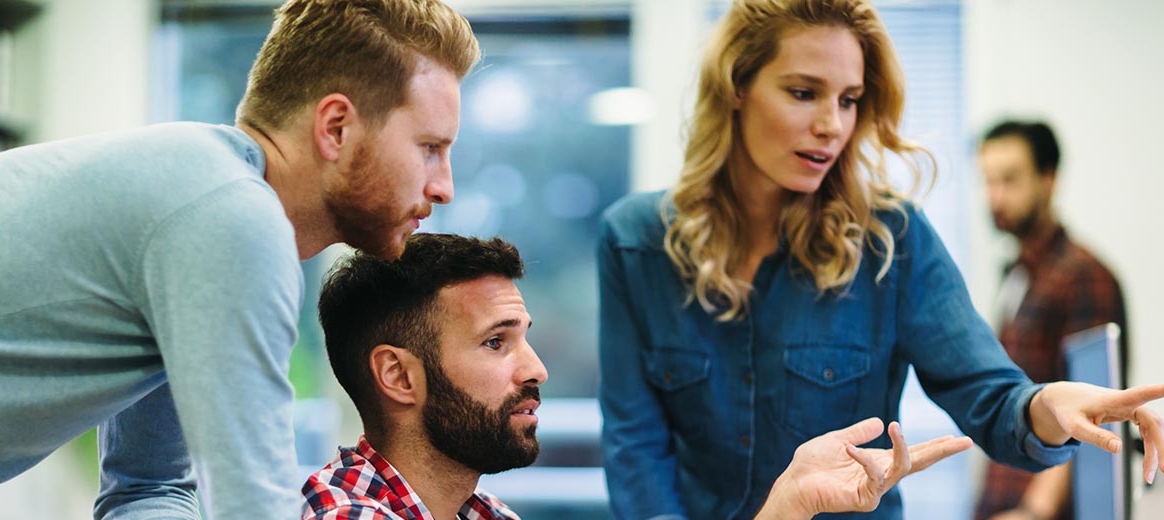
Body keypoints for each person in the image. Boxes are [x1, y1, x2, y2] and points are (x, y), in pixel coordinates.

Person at [595, 1, 1164, 519]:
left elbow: (990, 398)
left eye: (848, 99)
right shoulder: (634, 242)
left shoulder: (891, 240)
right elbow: (636, 448)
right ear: (737, 86)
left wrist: (1046, 402)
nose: (832, 125)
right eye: (803, 92)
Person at [0, 0, 478, 518]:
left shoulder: (196, 200)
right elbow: (254, 508)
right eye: (429, 147)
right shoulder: (229, 217)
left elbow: (148, 488)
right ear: (336, 128)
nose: (444, 188)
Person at [305, 233, 973, 520]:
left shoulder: (481, 511)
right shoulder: (347, 513)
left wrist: (789, 502)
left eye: (525, 339)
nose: (534, 368)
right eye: (495, 343)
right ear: (398, 375)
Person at [973, 121, 1129, 520]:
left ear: (1048, 178)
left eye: (1010, 179)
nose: (996, 196)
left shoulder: (1083, 275)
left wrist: (1033, 510)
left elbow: (1093, 409)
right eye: (988, 181)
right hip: (1002, 492)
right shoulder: (1018, 273)